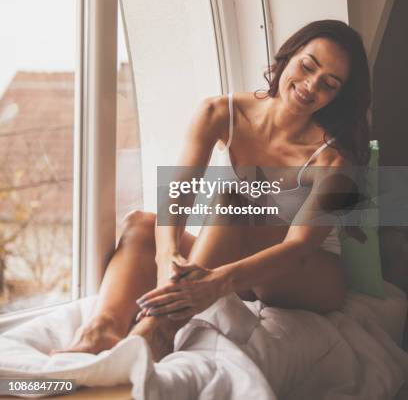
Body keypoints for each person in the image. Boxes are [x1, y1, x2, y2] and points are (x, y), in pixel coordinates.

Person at [56, 19, 371, 361]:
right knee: (142, 226)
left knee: (233, 204)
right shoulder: (221, 112)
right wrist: (169, 259)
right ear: (290, 54)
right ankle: (102, 328)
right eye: (307, 66)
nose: (310, 85)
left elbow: (298, 246)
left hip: (307, 274)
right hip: (235, 259)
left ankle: (160, 328)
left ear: (339, 97)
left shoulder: (333, 160)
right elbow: (178, 192)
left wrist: (216, 283)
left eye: (329, 84)